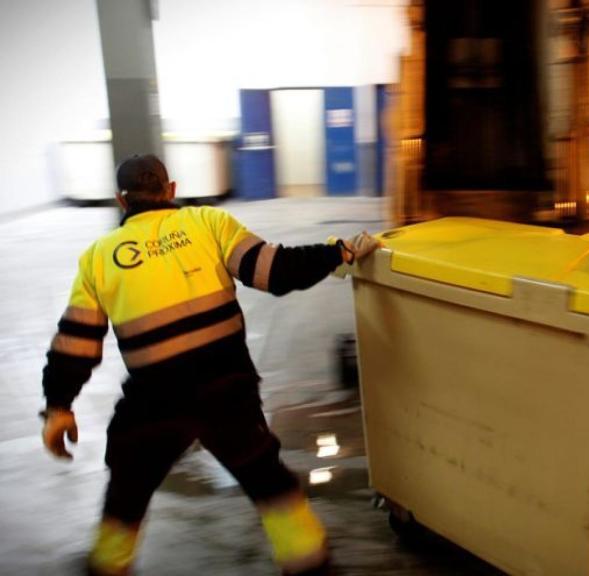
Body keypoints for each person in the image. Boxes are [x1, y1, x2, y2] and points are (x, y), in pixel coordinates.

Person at [40, 154, 380, 575]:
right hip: (225, 389)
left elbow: (75, 343)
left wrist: (58, 407)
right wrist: (338, 252)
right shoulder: (208, 223)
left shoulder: (98, 257)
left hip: (154, 398)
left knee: (127, 488)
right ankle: (309, 563)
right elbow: (273, 271)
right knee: (267, 480)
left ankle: (107, 566)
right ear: (171, 191)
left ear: (120, 200)